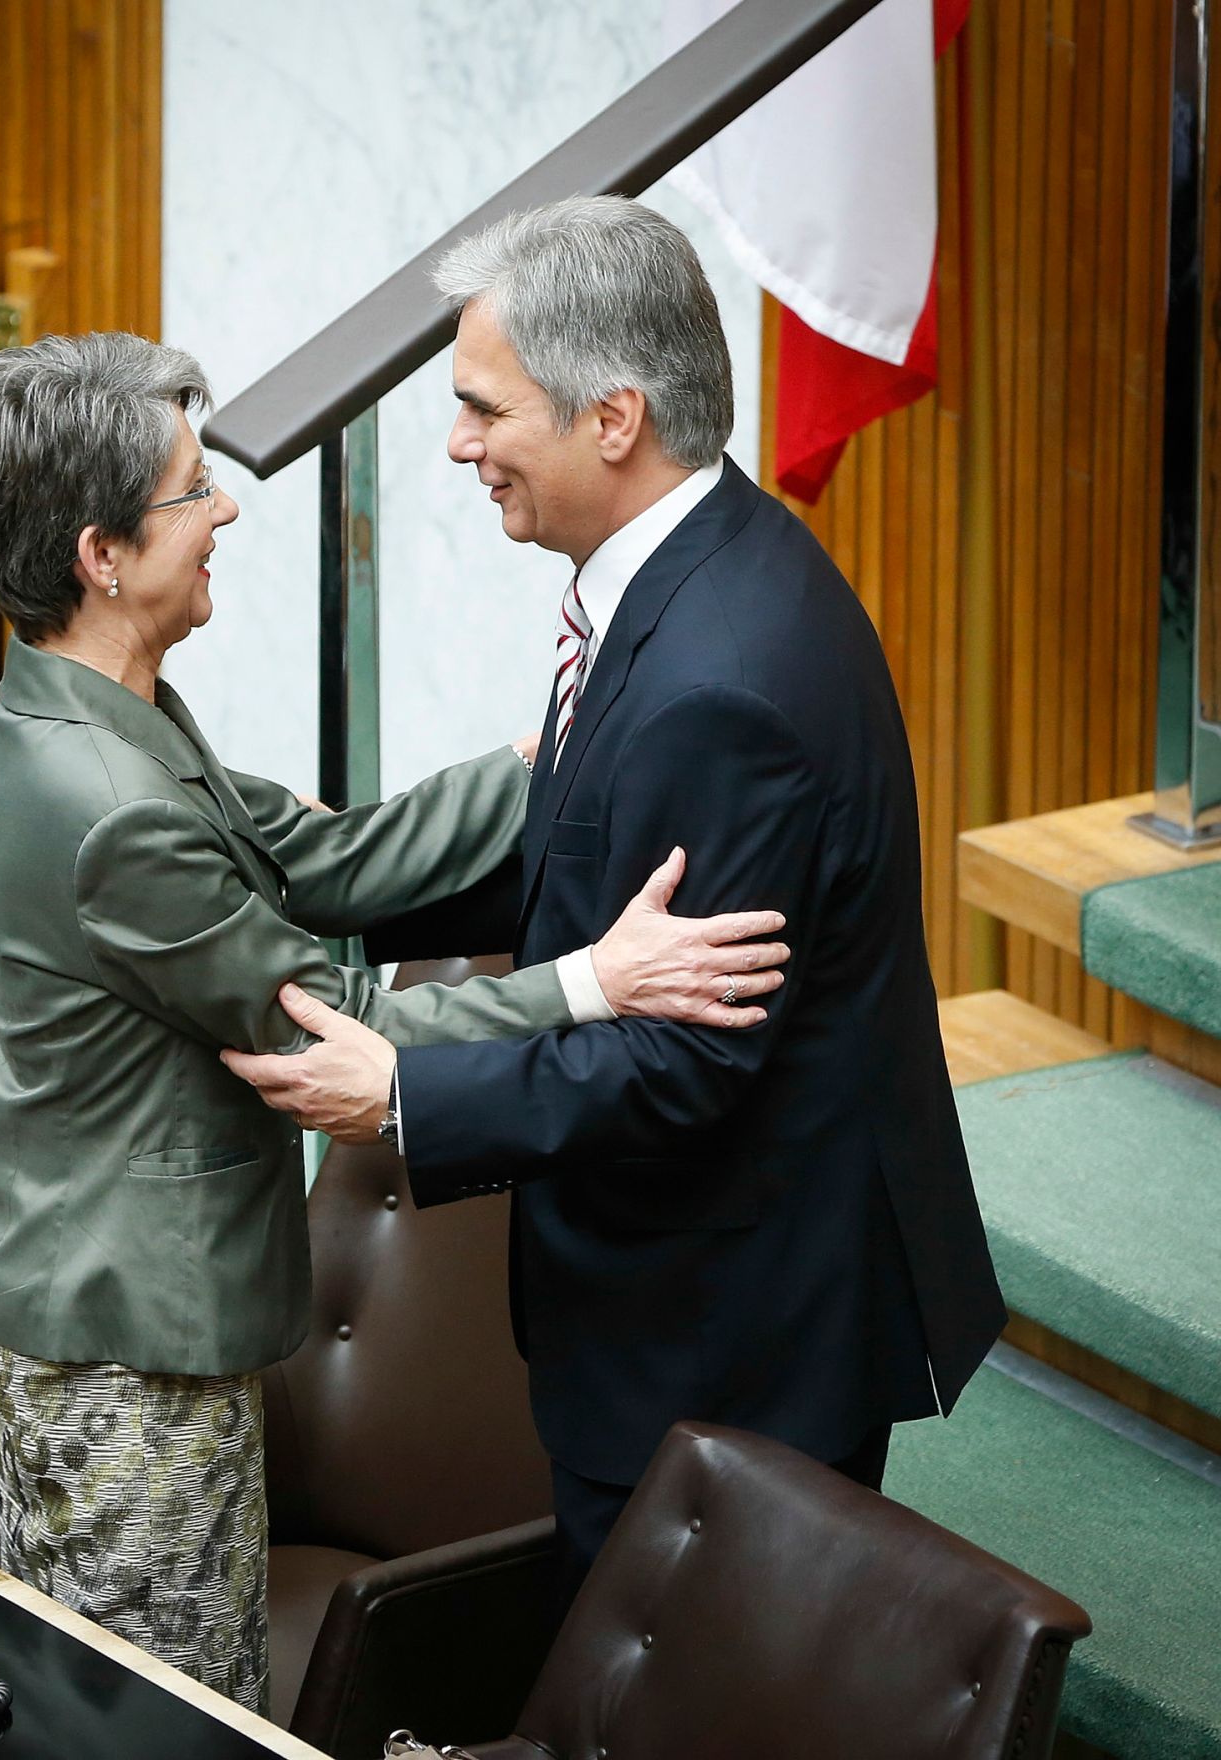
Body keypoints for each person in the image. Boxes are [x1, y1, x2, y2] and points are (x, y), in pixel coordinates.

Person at [0, 329, 792, 1711]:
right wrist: (594, 983)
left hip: (58, 1275)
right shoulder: (110, 812)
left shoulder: (85, 710)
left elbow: (319, 856)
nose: (225, 513)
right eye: (193, 492)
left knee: (94, 1696)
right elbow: (334, 1024)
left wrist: (554, 752)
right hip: (123, 1331)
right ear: (100, 553)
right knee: (168, 1710)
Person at [224, 196, 1008, 1609]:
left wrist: (402, 1098)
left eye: (484, 410)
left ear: (614, 418)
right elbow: (583, 850)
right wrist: (314, 883)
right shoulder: (686, 575)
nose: (460, 447)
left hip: (732, 1337)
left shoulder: (723, 684)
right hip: (685, 1308)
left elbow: (684, 1053)